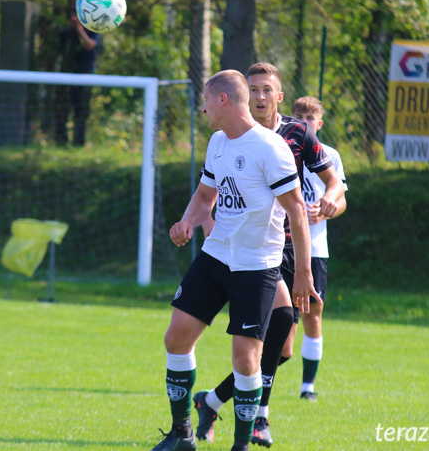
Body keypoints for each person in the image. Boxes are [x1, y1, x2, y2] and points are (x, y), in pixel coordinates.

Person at [150, 70, 316, 451]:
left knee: (245, 360)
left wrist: (303, 273)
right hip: (215, 256)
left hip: (256, 266)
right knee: (176, 338)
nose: (202, 107)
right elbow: (205, 195)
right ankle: (182, 434)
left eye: (206, 99)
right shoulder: (218, 142)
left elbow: (297, 213)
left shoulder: (270, 148)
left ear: (222, 100)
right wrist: (187, 221)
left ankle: (240, 444)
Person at [193, 63, 346, 448]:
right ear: (245, 95)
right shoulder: (231, 136)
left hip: (296, 249)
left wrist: (331, 199)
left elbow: (334, 185)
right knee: (266, 339)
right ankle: (258, 418)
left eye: (267, 90)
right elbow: (211, 190)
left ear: (279, 96)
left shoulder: (296, 134)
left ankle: (211, 402)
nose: (260, 96)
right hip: (258, 251)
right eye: (254, 89)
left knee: (283, 346)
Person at [289, 97, 349, 402]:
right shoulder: (283, 149)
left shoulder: (330, 156)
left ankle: (307, 386)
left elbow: (341, 200)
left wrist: (326, 210)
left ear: (319, 124)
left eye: (310, 118)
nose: (304, 122)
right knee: (284, 319)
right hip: (284, 246)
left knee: (313, 314)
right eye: (298, 116)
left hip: (315, 249)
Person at [53, 11, 102, 146]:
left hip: (85, 75)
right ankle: (60, 141)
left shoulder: (94, 32)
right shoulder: (65, 33)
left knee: (81, 110)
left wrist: (80, 29)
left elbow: (89, 44)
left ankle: (79, 142)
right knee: (61, 109)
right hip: (66, 75)